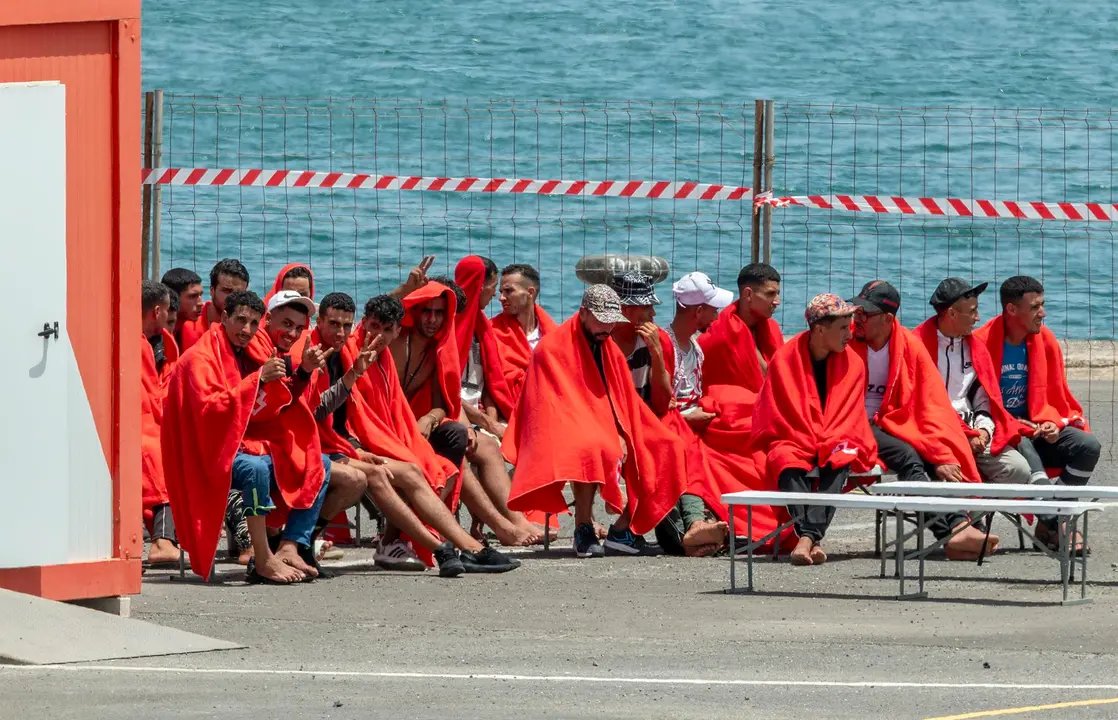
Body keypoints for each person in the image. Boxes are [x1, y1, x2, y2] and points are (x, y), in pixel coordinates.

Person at [342, 294, 521, 574]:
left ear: (397, 330)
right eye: (374, 326)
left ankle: (415, 541)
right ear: (364, 323)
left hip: (398, 434)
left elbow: (440, 403)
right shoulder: (370, 350)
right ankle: (460, 545)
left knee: (449, 452)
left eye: (387, 329)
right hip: (358, 443)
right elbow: (355, 413)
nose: (379, 335)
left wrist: (428, 419)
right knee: (420, 468)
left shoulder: (397, 353)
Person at [503, 285, 686, 559]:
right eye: (601, 320)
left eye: (611, 321)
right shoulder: (551, 349)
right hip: (561, 422)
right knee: (592, 444)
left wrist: (622, 430)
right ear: (584, 313)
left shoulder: (606, 345)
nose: (607, 328)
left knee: (669, 445)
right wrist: (614, 434)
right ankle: (583, 528)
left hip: (612, 419)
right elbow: (555, 404)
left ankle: (623, 530)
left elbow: (621, 396)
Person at [162, 290, 330, 584]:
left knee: (319, 462)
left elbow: (275, 404)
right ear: (224, 317)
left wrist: (303, 371)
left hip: (243, 441)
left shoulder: (252, 351)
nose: (247, 330)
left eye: (253, 323)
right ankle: (262, 557)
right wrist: (259, 379)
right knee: (256, 469)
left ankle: (290, 545)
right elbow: (209, 411)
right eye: (241, 321)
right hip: (206, 449)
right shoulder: (199, 358)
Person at [391, 258, 541, 547]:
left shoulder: (473, 329)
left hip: (449, 417)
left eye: (440, 313)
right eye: (493, 288)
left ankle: (507, 521)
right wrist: (482, 423)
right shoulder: (414, 338)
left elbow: (486, 386)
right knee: (470, 443)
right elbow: (450, 397)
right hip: (431, 420)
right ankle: (505, 523)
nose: (496, 297)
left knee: (474, 439)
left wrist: (489, 417)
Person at [848, 280, 998, 560]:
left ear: (888, 319)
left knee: (929, 452)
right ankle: (956, 529)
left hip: (894, 421)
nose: (858, 319)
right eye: (857, 312)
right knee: (909, 455)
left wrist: (940, 453)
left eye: (865, 315)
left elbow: (930, 404)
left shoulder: (910, 346)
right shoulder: (846, 343)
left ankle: (958, 528)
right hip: (853, 423)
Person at [975, 276, 1102, 551]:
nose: (1042, 313)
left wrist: (1052, 423)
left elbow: (1056, 397)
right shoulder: (981, 342)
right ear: (1011, 310)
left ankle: (1049, 522)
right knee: (1023, 444)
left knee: (1087, 446)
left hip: (1036, 429)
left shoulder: (1045, 340)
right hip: (1002, 436)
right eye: (1034, 307)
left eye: (1042, 305)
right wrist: (1015, 425)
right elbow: (975, 403)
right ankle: (1057, 523)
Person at [752, 294, 878, 566]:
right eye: (843, 327)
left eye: (850, 326)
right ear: (820, 329)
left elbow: (849, 415)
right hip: (793, 435)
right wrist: (809, 437)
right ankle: (813, 539)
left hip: (838, 435)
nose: (850, 334)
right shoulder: (785, 359)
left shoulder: (854, 363)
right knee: (784, 459)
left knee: (841, 456)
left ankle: (806, 538)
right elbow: (778, 412)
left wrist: (827, 438)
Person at [915, 278, 1041, 485]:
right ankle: (967, 513)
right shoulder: (917, 345)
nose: (977, 318)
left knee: (1017, 470)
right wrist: (965, 434)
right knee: (953, 474)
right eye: (972, 312)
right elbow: (920, 406)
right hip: (934, 431)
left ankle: (976, 509)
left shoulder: (976, 347)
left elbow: (984, 397)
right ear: (952, 314)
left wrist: (983, 429)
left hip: (974, 428)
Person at [140, 281, 181, 567]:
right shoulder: (139, 342)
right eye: (167, 311)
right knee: (164, 464)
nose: (169, 317)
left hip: (153, 423)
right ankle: (163, 542)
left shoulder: (159, 342)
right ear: (157, 311)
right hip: (144, 428)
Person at [453, 255, 517, 435]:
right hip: (457, 414)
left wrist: (492, 419)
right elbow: (447, 392)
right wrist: (491, 426)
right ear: (479, 286)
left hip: (480, 414)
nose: (495, 294)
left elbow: (489, 384)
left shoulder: (482, 327)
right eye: (494, 287)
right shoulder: (449, 327)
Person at [699, 263, 784, 391]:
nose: (777, 301)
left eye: (778, 293)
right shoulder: (720, 337)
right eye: (770, 294)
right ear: (748, 294)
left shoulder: (773, 328)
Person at [491, 263, 559, 403]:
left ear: (530, 292)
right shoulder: (491, 331)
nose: (501, 298)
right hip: (509, 408)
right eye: (501, 291)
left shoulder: (555, 336)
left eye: (508, 291)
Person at [177, 258, 250, 351]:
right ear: (212, 291)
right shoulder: (193, 326)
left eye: (239, 293)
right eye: (227, 291)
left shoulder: (251, 326)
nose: (233, 298)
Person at [161, 267, 204, 347]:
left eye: (201, 295)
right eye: (193, 296)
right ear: (172, 296)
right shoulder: (156, 331)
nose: (201, 303)